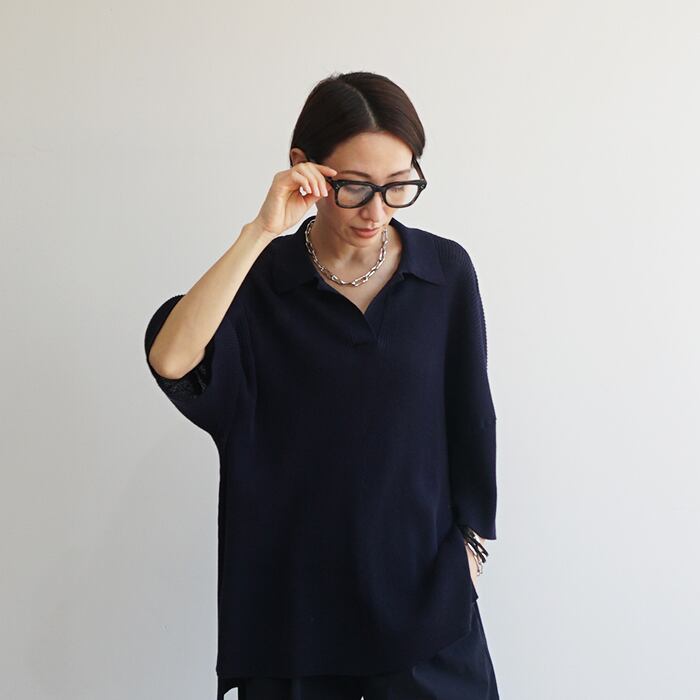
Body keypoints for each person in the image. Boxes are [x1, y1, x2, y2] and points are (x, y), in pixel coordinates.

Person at [144, 70, 500, 700]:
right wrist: (261, 231)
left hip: (424, 604)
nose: (375, 211)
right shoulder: (260, 283)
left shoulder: (444, 273)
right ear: (304, 168)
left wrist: (470, 548)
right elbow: (172, 359)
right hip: (292, 619)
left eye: (398, 186)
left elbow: (471, 416)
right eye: (353, 186)